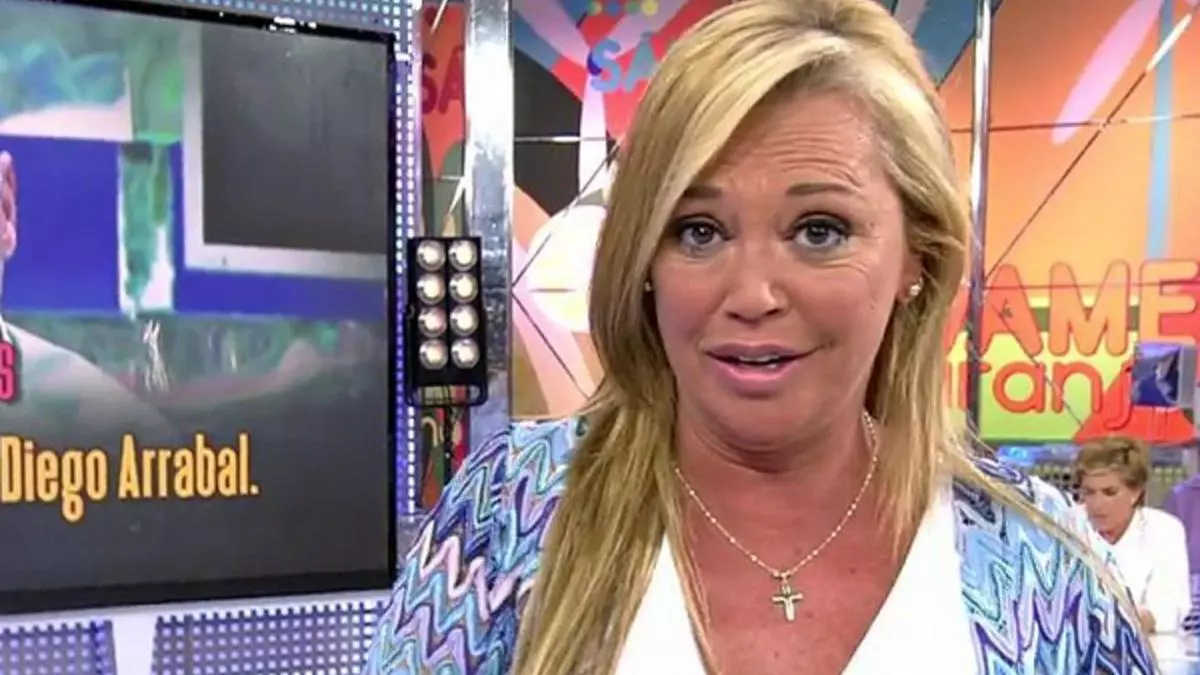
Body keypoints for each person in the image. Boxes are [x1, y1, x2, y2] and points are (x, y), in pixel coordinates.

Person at [363, 1, 1153, 673]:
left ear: (918, 253)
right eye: (699, 231)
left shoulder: (1041, 559)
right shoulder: (510, 512)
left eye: (819, 230)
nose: (751, 295)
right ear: (644, 258)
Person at [1075, 436, 1191, 634]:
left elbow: (1169, 610)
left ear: (1135, 493)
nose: (1097, 504)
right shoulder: (1067, 525)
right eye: (1089, 492)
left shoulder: (1164, 530)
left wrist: (1118, 621)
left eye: (1110, 492)